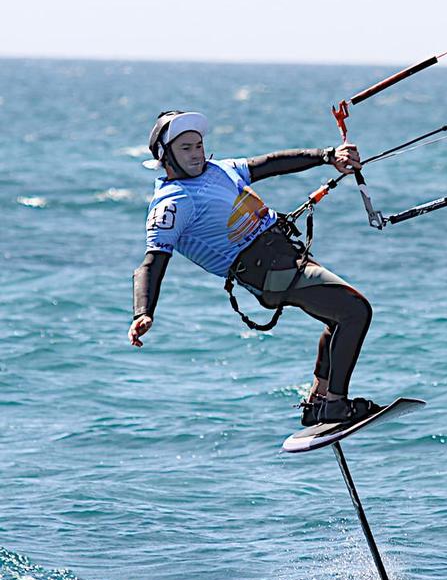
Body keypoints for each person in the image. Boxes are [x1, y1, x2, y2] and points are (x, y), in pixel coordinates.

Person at [129, 110, 380, 427]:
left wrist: (328, 156)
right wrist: (143, 312)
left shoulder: (219, 170)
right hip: (267, 273)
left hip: (287, 256)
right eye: (186, 148)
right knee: (355, 311)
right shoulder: (172, 203)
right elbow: (152, 262)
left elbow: (269, 164)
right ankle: (336, 406)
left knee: (338, 318)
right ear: (165, 156)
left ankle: (319, 401)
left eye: (198, 145)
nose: (196, 154)